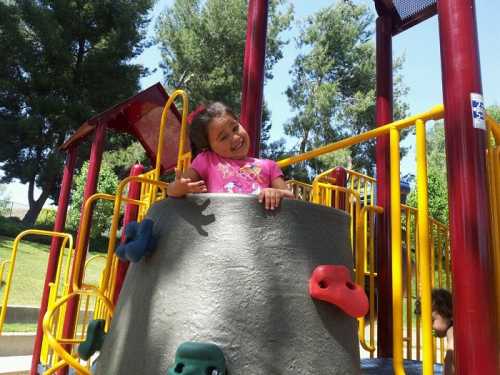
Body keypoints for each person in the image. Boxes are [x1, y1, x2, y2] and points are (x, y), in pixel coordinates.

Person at [167, 102, 294, 210]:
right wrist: (178, 188)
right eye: (223, 137)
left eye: (235, 128)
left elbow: (291, 198)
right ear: (209, 146)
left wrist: (276, 193)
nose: (235, 137)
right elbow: (172, 190)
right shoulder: (207, 160)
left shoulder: (269, 166)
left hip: (259, 231)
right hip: (223, 230)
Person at [432, 288, 454, 375]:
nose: (430, 326)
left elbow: (450, 360)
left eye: (432, 320)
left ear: (448, 313)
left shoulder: (452, 332)